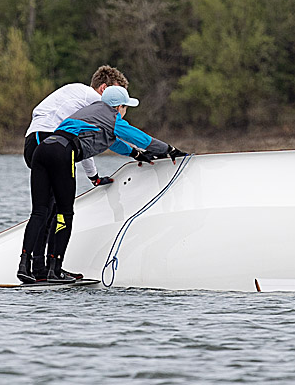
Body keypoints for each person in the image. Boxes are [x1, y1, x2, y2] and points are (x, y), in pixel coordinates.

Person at [16, 86, 186, 283]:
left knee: (39, 212)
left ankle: (25, 266)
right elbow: (143, 139)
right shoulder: (113, 117)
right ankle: (56, 269)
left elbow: (111, 142)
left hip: (42, 150)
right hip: (62, 153)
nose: (125, 112)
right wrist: (170, 150)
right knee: (65, 213)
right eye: (125, 107)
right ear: (119, 107)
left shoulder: (91, 112)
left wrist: (136, 154)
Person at [23, 65, 129, 280]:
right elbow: (80, 142)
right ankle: (53, 268)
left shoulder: (74, 92)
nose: (116, 106)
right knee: (61, 212)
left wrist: (93, 176)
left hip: (32, 144)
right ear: (103, 88)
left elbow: (79, 143)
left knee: (45, 210)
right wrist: (94, 177)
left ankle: (35, 267)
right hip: (52, 143)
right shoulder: (95, 101)